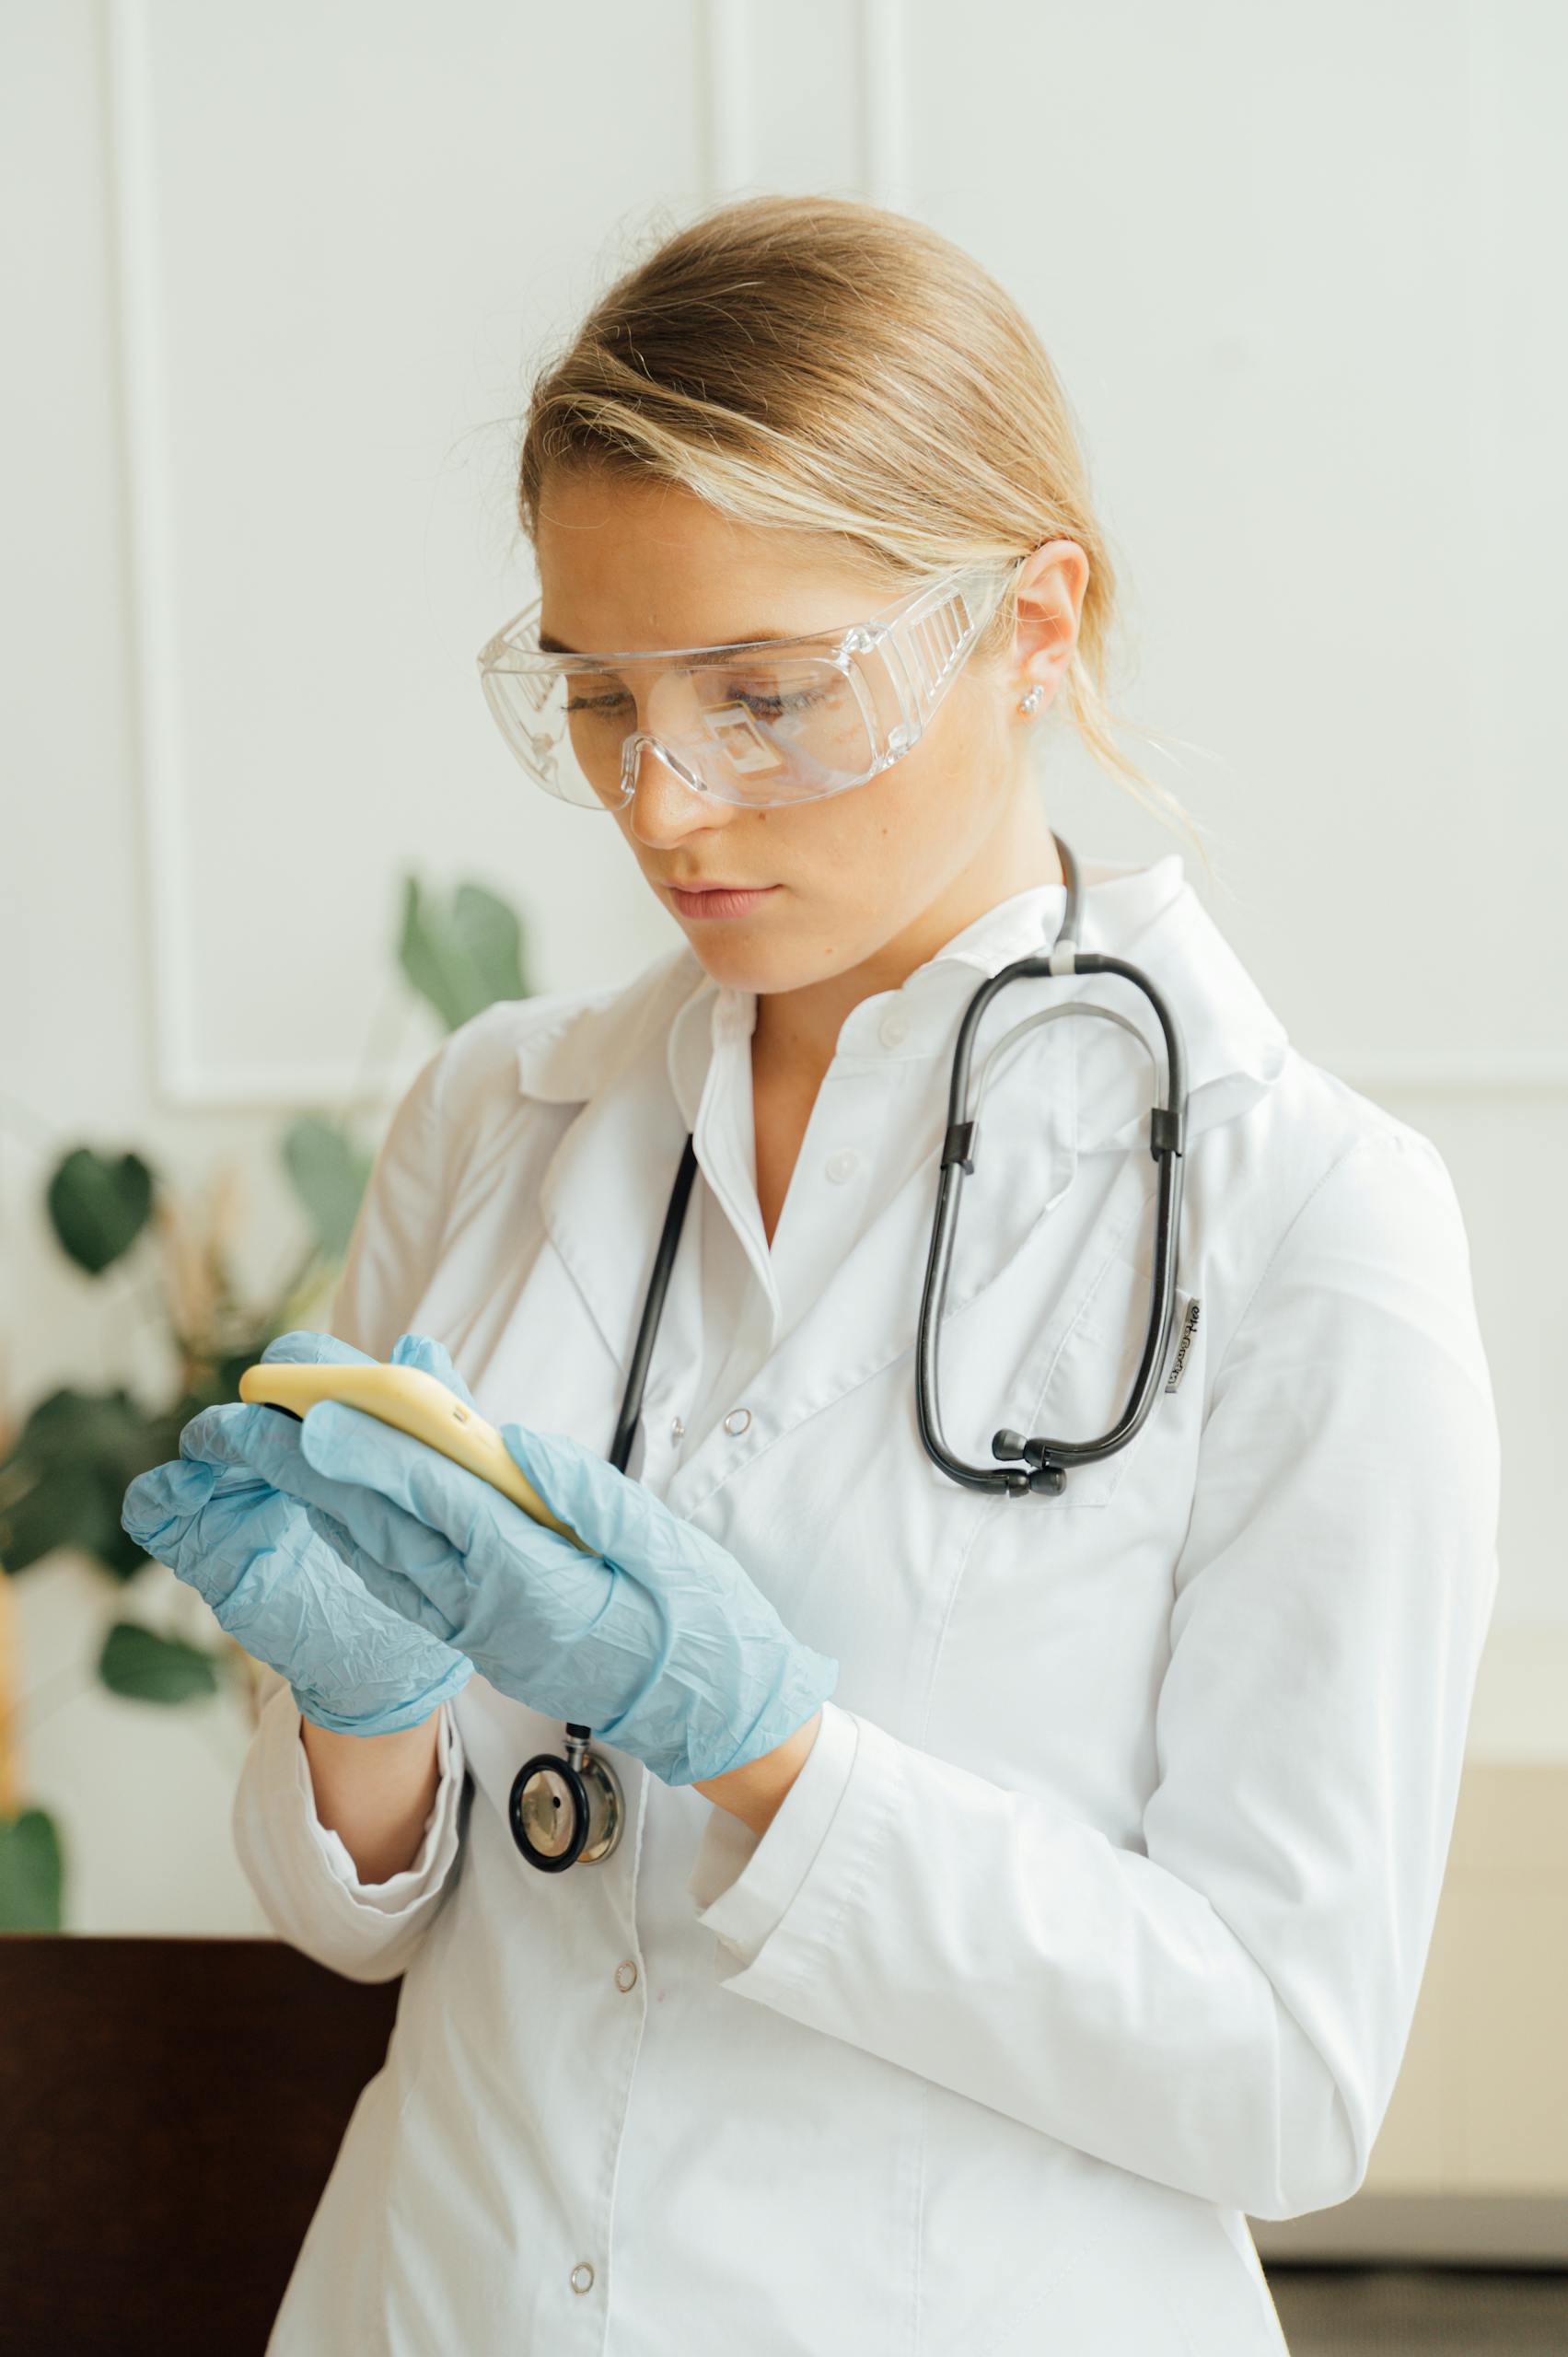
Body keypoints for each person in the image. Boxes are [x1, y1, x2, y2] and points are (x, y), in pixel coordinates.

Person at [122, 192, 1500, 2355]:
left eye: (765, 694)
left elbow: (1285, 2071)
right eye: (600, 695)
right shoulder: (507, 1115)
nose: (664, 801)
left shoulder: (1310, 1218)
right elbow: (364, 1924)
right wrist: (364, 1718)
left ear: (1032, 624)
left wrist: (774, 1757)